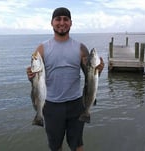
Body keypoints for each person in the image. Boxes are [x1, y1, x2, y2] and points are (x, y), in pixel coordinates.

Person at [26, 7, 104, 151]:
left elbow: (90, 77)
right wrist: (31, 77)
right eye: (58, 19)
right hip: (51, 105)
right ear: (52, 22)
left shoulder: (81, 48)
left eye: (65, 19)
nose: (62, 22)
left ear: (71, 23)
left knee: (77, 144)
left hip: (76, 104)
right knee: (56, 146)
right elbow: (37, 81)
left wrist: (98, 70)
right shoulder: (41, 49)